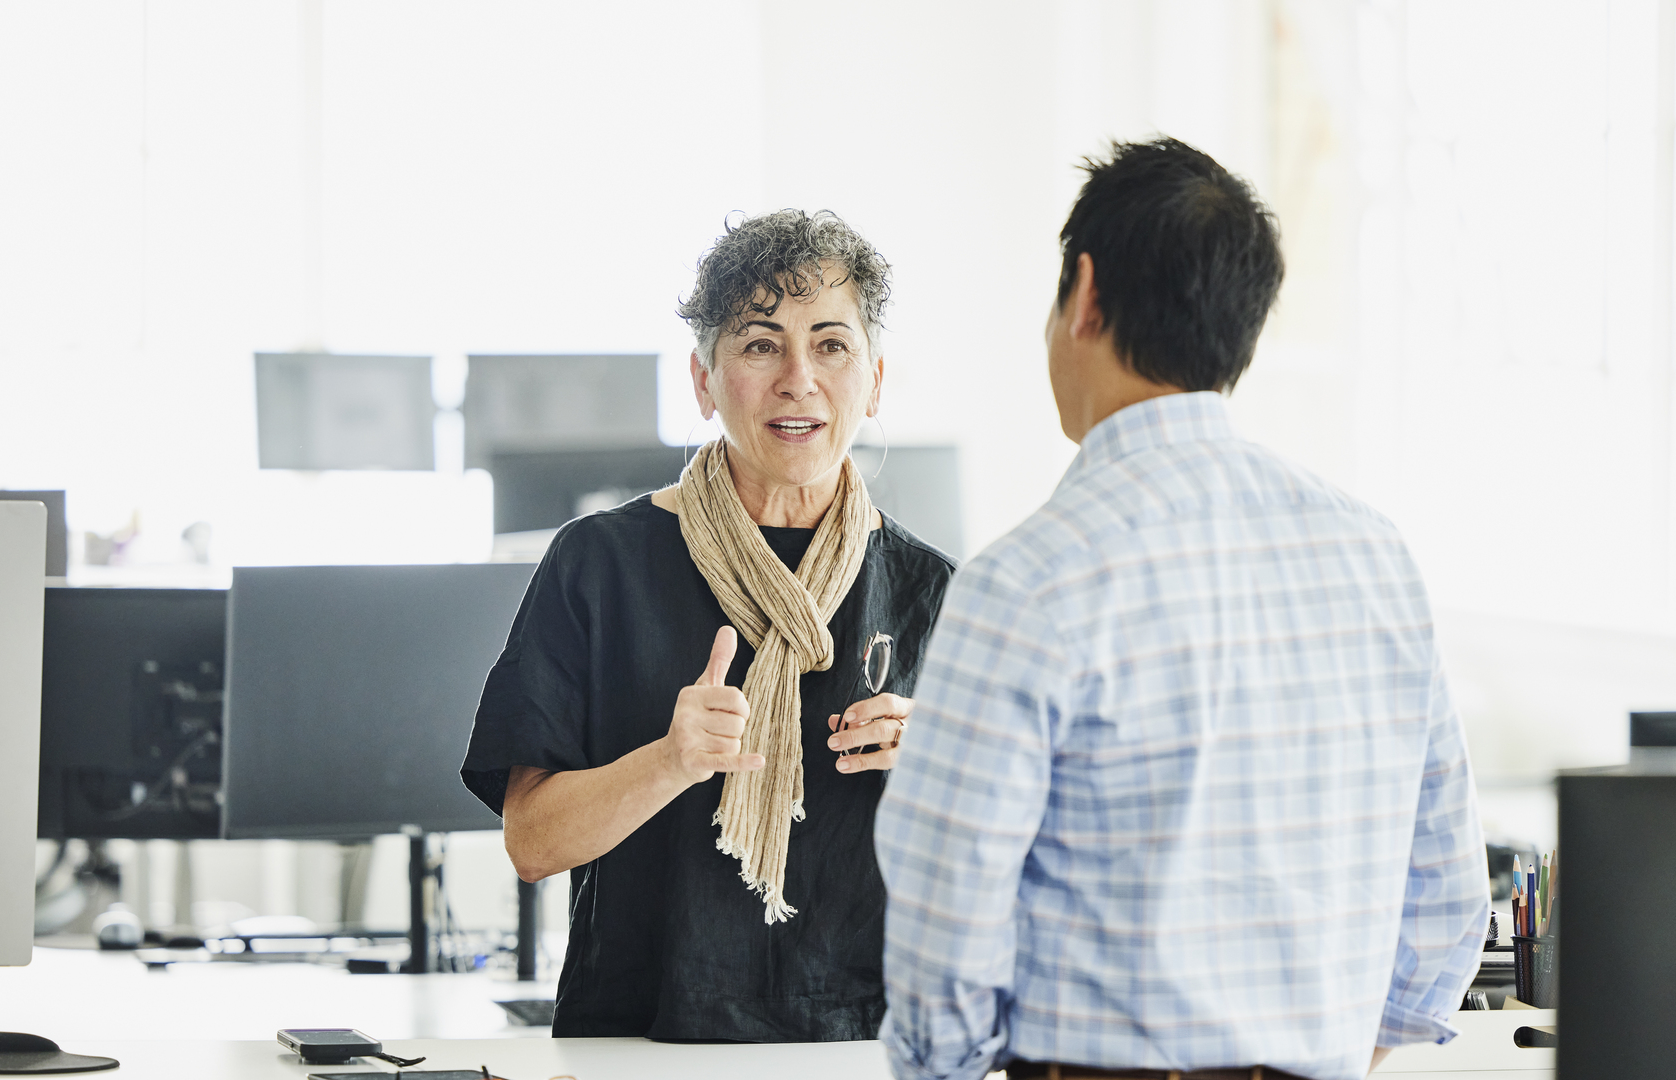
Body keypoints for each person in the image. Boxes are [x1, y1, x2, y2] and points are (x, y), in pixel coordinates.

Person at [875, 139, 1490, 1080]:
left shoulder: (1029, 580)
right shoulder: (1376, 557)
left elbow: (947, 903)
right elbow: (1448, 886)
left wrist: (942, 1065)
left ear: (1084, 294)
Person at [461, 209, 956, 1040]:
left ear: (872, 381)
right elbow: (533, 844)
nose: (798, 378)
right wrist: (669, 760)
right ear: (703, 380)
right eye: (761, 344)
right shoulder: (598, 566)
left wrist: (941, 769)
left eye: (831, 345)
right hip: (641, 1038)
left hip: (856, 1042)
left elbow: (988, 871)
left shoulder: (928, 588)